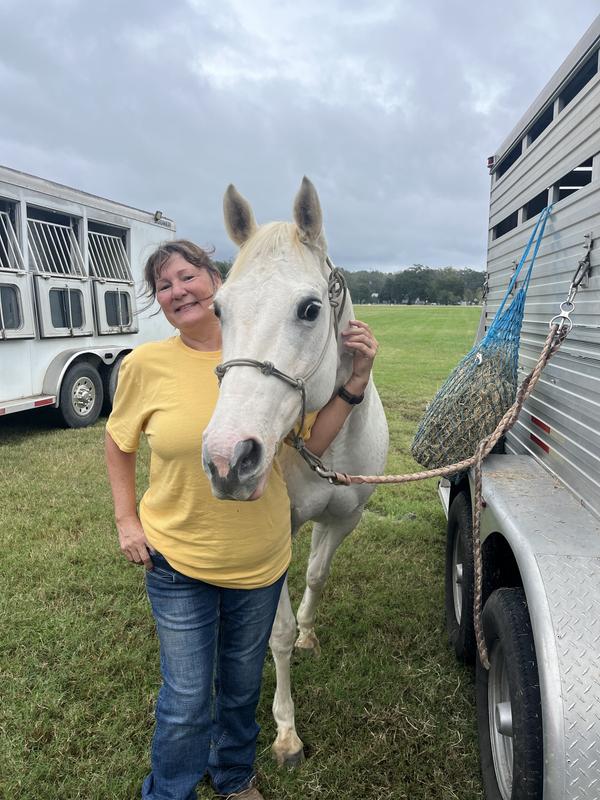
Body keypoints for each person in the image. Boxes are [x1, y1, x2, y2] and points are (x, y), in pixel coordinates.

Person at [105, 240, 378, 800]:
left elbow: (314, 445)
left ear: (217, 281)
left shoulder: (274, 351)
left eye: (187, 276)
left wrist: (356, 380)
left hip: (260, 558)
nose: (177, 290)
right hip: (179, 558)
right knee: (184, 700)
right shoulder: (147, 365)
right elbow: (118, 442)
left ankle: (232, 777)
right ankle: (170, 791)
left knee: (239, 687)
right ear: (157, 301)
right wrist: (127, 520)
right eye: (163, 285)